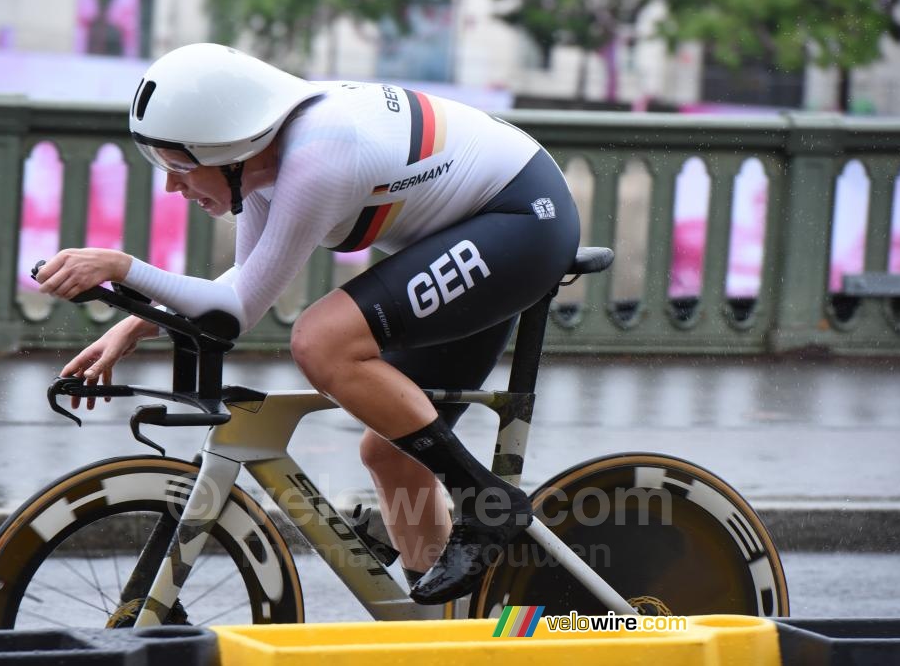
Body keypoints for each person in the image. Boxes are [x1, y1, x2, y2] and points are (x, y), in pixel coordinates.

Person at [36, 43, 580, 604]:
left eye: (178, 165)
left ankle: (485, 505)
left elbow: (233, 316)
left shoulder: (319, 158)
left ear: (229, 148)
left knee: (322, 341)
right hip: (483, 228)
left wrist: (123, 267)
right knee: (389, 451)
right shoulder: (265, 165)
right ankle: (451, 630)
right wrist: (134, 326)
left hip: (522, 221)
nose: (173, 187)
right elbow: (243, 285)